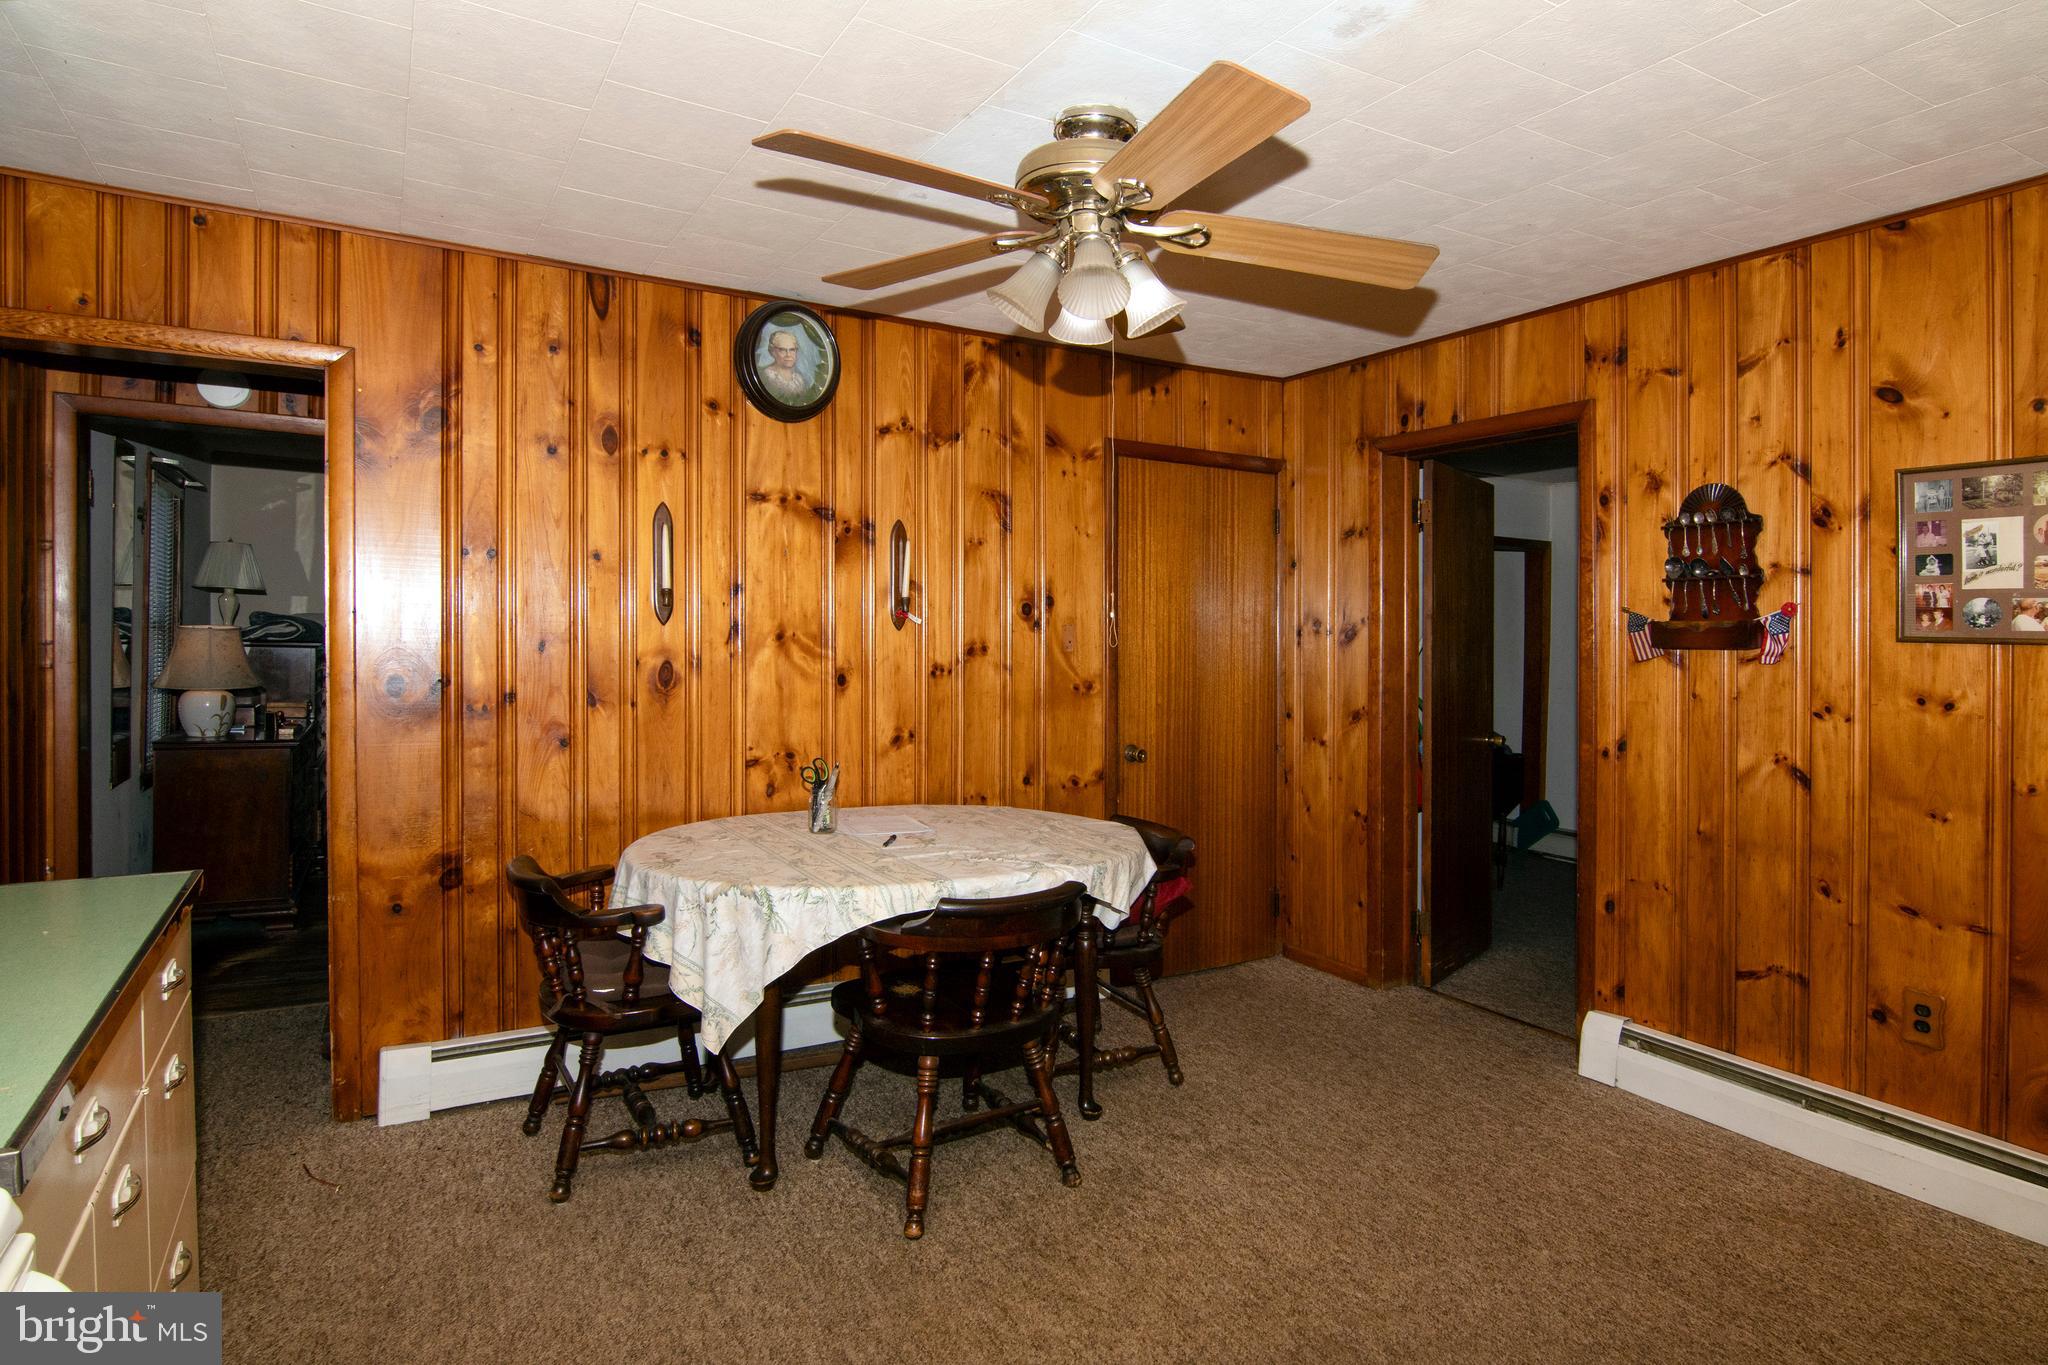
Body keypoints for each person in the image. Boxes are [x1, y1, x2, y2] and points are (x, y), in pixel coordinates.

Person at [759, 328, 816, 402]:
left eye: (792, 350)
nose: (788, 355)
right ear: (772, 352)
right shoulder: (767, 376)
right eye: (782, 350)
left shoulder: (799, 380)